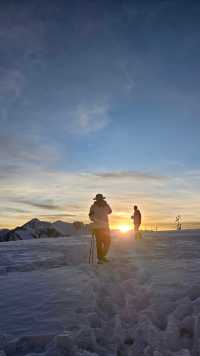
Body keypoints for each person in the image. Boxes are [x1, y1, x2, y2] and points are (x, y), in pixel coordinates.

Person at [89, 194, 112, 264]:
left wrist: (106, 205)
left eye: (100, 199)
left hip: (104, 227)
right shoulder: (93, 207)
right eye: (98, 199)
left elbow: (110, 211)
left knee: (107, 242)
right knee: (100, 243)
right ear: (96, 200)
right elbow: (90, 216)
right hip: (98, 228)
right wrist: (95, 220)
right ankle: (100, 258)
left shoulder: (105, 206)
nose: (99, 200)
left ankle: (102, 257)